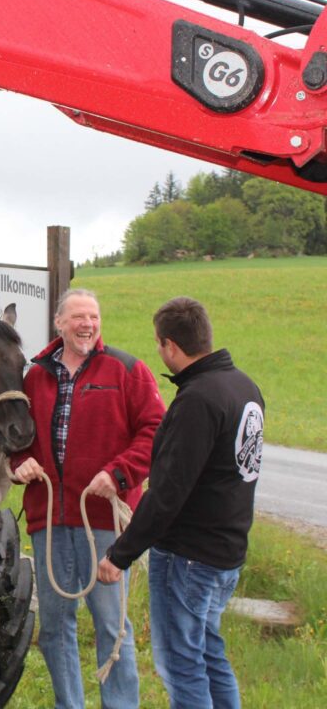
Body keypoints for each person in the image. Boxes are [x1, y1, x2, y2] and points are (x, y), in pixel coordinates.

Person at [98, 297, 264, 709]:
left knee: (181, 663)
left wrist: (120, 555)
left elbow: (169, 492)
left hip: (189, 558)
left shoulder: (198, 400)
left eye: (159, 345)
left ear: (170, 346)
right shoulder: (244, 387)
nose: (159, 352)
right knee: (209, 654)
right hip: (225, 553)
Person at [9, 288, 164, 709]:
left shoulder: (127, 370)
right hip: (50, 521)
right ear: (59, 323)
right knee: (56, 627)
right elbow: (16, 436)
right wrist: (19, 462)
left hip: (103, 523)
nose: (87, 325)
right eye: (78, 317)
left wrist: (119, 474)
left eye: (93, 317)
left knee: (111, 627)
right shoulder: (35, 376)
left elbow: (156, 433)